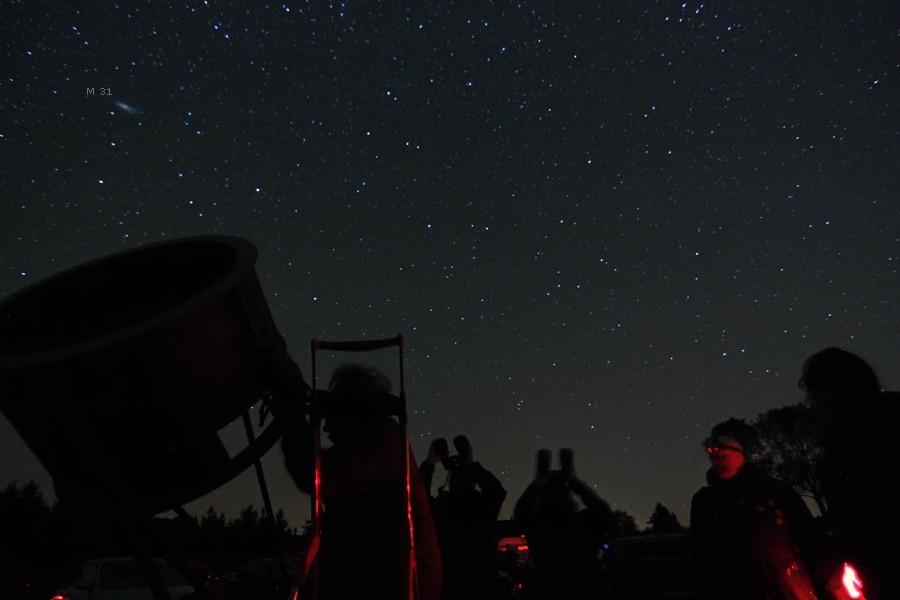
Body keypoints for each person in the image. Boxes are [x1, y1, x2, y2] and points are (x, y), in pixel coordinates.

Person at [277, 363, 442, 600]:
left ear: (353, 409)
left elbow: (312, 475)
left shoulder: (382, 446)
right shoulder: (380, 439)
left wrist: (292, 418)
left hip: (397, 585)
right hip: (381, 578)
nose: (327, 422)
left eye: (335, 407)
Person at [799, 347, 900, 599]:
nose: (810, 402)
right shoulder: (841, 447)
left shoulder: (888, 434)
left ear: (838, 388)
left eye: (813, 391)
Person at [690, 433, 820, 600]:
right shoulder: (707, 500)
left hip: (790, 587)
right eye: (714, 455)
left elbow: (808, 536)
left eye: (724, 454)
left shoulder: (776, 491)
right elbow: (702, 555)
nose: (718, 460)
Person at [513, 448, 612, 599]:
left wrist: (537, 485)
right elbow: (604, 512)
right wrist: (573, 481)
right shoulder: (583, 523)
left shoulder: (539, 527)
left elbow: (521, 512)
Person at [419, 435, 507, 600]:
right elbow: (496, 491)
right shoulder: (482, 508)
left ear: (449, 483)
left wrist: (431, 461)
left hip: (450, 587)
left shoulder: (441, 509)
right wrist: (470, 463)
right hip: (484, 587)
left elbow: (418, 496)